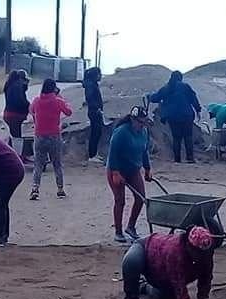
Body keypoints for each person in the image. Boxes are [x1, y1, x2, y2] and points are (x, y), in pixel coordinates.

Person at [121, 226, 216, 299]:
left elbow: (206, 275)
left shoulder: (206, 252)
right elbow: (177, 279)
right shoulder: (175, 251)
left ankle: (143, 287)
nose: (200, 255)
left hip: (162, 268)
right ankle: (131, 295)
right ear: (189, 245)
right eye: (197, 251)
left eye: (202, 252)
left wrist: (203, 297)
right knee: (132, 261)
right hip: (145, 248)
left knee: (166, 295)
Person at [107, 106, 153, 243]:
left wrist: (147, 168)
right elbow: (113, 153)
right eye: (140, 122)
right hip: (117, 169)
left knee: (141, 198)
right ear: (132, 120)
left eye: (144, 122)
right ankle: (118, 231)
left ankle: (131, 227)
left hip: (133, 169)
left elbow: (144, 151)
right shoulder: (121, 132)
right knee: (120, 200)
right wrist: (115, 172)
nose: (142, 125)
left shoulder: (144, 132)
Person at [29, 79, 72, 200]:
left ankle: (35, 189)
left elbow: (31, 110)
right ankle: (60, 189)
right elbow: (69, 112)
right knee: (57, 163)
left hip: (39, 135)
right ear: (54, 89)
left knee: (38, 164)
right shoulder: (58, 101)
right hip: (54, 135)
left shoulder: (37, 100)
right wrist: (61, 98)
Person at [148, 71, 202, 163]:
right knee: (188, 137)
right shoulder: (185, 87)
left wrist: (148, 96)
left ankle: (177, 159)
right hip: (187, 115)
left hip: (173, 117)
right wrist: (198, 110)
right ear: (180, 78)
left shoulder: (166, 88)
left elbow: (155, 98)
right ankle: (190, 158)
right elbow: (193, 98)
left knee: (176, 138)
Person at [3, 69, 30, 161]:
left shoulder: (10, 85)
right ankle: (17, 157)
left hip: (9, 114)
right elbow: (20, 100)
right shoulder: (17, 86)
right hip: (15, 115)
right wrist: (28, 106)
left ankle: (8, 155)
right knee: (17, 137)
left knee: (13, 136)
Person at [83, 67, 105, 163]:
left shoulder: (92, 84)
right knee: (95, 133)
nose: (100, 76)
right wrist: (97, 108)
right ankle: (92, 155)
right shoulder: (90, 85)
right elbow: (90, 99)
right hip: (94, 112)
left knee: (97, 132)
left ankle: (94, 153)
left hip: (95, 111)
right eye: (99, 74)